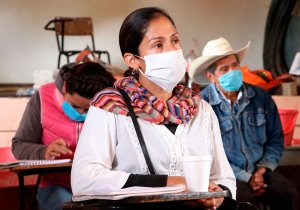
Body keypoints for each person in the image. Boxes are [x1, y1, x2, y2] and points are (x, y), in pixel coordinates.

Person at [71, 7, 237, 210]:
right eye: (158, 45)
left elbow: (224, 177)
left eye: (175, 41)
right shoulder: (110, 106)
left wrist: (216, 194)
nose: (172, 51)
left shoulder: (201, 109)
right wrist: (172, 183)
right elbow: (85, 178)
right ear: (132, 60)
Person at [189, 37, 300, 210]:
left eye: (235, 65)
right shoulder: (202, 105)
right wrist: (246, 177)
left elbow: (275, 140)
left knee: (288, 193)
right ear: (211, 76)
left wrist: (261, 171)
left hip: (261, 170)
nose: (232, 71)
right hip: (225, 175)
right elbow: (206, 154)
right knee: (243, 201)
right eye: (224, 69)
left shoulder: (260, 97)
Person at [12, 62, 116, 210]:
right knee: (66, 205)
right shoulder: (42, 97)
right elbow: (19, 144)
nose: (80, 113)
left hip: (101, 186)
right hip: (55, 186)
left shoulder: (112, 103)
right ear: (65, 87)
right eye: (74, 106)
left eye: (88, 109)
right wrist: (44, 151)